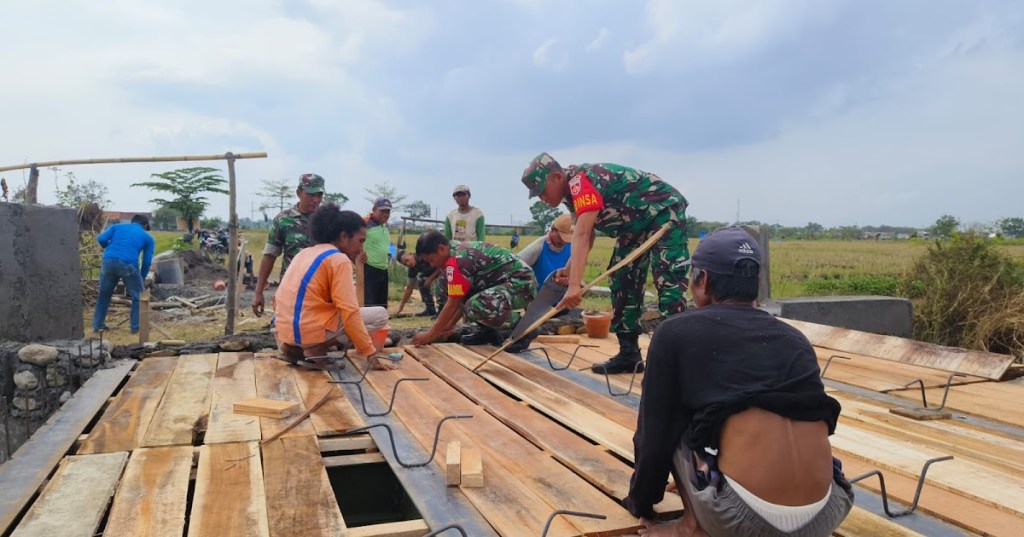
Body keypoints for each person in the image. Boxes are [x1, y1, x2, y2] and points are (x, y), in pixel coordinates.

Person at [625, 227, 852, 537]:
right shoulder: (795, 339)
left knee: (673, 419)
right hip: (828, 513)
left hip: (741, 521)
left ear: (702, 280)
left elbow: (654, 437)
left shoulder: (675, 333)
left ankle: (691, 526)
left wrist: (641, 502)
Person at [521, 152, 690, 374]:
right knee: (622, 281)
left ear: (556, 177)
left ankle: (678, 364)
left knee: (669, 284)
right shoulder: (572, 193)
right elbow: (587, 234)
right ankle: (629, 353)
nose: (541, 197)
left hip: (663, 213)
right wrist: (569, 269)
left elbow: (581, 235)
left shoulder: (581, 182)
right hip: (634, 226)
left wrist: (574, 285)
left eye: (542, 190)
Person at [274, 204, 394, 369]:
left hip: (284, 330)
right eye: (360, 241)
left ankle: (291, 348)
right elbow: (350, 312)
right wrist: (370, 354)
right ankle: (315, 350)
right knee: (380, 315)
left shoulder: (304, 253)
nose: (361, 248)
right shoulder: (338, 259)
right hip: (307, 329)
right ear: (344, 237)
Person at [411, 231, 536, 348]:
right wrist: (451, 323)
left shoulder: (458, 260)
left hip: (522, 284)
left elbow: (453, 303)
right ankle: (488, 333)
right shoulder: (452, 252)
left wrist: (430, 334)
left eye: (431, 260)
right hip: (503, 284)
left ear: (441, 249)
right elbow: (461, 296)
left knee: (477, 305)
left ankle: (525, 329)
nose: (432, 265)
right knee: (446, 285)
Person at [252, 173, 325, 317]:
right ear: (299, 193)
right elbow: (270, 255)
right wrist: (258, 292)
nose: (315, 200)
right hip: (291, 286)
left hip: (321, 287)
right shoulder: (283, 220)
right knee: (287, 328)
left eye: (319, 195)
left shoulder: (328, 219)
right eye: (311, 195)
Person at [92, 214, 155, 334]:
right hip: (128, 264)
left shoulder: (116, 227)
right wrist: (140, 278)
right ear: (145, 225)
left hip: (108, 261)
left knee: (103, 296)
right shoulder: (147, 238)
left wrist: (107, 247)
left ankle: (97, 326)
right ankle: (136, 328)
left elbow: (101, 239)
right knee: (138, 296)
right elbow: (147, 262)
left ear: (132, 222)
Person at [518, 214, 573, 289]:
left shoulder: (572, 247)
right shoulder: (538, 246)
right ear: (553, 230)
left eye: (567, 239)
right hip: (536, 296)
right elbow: (515, 266)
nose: (563, 242)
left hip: (560, 295)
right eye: (560, 237)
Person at [363, 197, 392, 307]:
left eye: (388, 211)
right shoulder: (365, 223)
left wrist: (389, 255)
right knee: (370, 305)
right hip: (370, 269)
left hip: (383, 269)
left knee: (382, 304)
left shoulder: (385, 226)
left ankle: (382, 324)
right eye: (382, 211)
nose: (385, 214)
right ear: (374, 210)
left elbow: (386, 245)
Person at [395, 251, 441, 317]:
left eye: (407, 260)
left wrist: (431, 279)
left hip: (443, 269)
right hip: (432, 272)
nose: (408, 264)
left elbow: (442, 265)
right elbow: (409, 288)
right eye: (405, 264)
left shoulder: (423, 255)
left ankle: (442, 310)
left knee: (441, 284)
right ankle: (430, 309)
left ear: (410, 254)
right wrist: (401, 307)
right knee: (421, 279)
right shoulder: (412, 269)